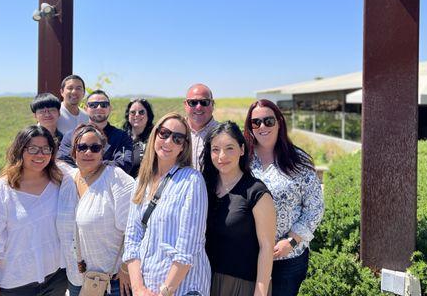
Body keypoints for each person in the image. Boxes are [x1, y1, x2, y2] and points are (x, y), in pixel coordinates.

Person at [0, 125, 73, 296]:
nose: (40, 154)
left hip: (57, 279)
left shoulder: (61, 180)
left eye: (46, 149)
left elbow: (86, 175)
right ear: (19, 151)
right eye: (33, 149)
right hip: (15, 285)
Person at [123, 112, 210, 296]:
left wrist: (165, 292)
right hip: (146, 287)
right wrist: (138, 289)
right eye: (164, 133)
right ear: (155, 134)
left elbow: (188, 248)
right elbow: (132, 238)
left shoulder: (191, 181)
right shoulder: (141, 182)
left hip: (184, 288)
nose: (169, 141)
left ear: (183, 147)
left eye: (177, 138)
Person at [244, 99, 324, 296]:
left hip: (287, 259)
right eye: (256, 122)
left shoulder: (298, 161)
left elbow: (314, 207)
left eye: (268, 121)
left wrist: (292, 241)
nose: (262, 126)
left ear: (279, 121)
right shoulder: (243, 159)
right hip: (248, 256)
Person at [202, 121, 276, 296]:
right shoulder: (205, 188)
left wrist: (260, 292)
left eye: (229, 148)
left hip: (243, 286)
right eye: (215, 149)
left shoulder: (256, 192)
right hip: (205, 280)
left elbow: (267, 247)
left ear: (242, 150)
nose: (222, 156)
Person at [64, 125, 134, 296]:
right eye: (82, 147)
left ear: (103, 151)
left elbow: (134, 229)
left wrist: (126, 269)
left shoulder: (116, 178)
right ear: (74, 151)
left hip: (112, 281)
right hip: (76, 279)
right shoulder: (67, 179)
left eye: (95, 148)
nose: (88, 152)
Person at [57, 90, 133, 174]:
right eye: (93, 105)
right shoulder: (71, 136)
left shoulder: (122, 136)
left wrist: (86, 165)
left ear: (110, 108)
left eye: (104, 105)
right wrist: (100, 166)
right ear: (86, 109)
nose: (99, 108)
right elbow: (63, 163)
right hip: (77, 184)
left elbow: (125, 164)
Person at [184, 84, 219, 170]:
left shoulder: (223, 134)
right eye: (193, 102)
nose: (198, 107)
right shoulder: (175, 132)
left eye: (204, 102)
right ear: (185, 105)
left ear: (212, 104)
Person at [122, 98, 155, 177]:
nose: (137, 115)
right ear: (128, 115)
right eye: (133, 112)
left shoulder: (154, 139)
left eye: (141, 112)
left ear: (148, 115)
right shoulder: (121, 137)